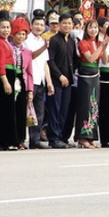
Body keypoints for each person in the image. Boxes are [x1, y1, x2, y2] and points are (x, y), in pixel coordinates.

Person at [47, 13, 78, 149]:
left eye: (69, 23)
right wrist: (60, 76)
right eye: (64, 23)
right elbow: (50, 61)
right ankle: (53, 138)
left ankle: (61, 137)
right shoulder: (54, 40)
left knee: (64, 110)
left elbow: (74, 61)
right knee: (55, 109)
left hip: (69, 81)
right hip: (56, 80)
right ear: (59, 25)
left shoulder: (71, 41)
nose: (67, 26)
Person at [0, 14, 18, 151]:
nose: (6, 30)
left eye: (8, 27)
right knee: (2, 110)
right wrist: (5, 81)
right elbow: (0, 64)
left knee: (7, 110)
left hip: (10, 73)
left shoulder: (7, 41)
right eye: (3, 27)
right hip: (3, 77)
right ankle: (1, 141)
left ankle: (7, 140)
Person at [26, 15, 53, 149]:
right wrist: (44, 47)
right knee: (27, 111)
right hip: (30, 80)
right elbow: (30, 56)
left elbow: (45, 64)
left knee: (39, 112)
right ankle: (22, 138)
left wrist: (49, 82)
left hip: (41, 80)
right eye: (36, 24)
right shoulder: (27, 39)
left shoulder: (43, 40)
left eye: (42, 25)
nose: (39, 27)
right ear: (31, 26)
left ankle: (35, 140)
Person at [77, 19, 105, 148]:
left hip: (95, 74)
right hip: (86, 74)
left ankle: (91, 135)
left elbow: (105, 59)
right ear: (86, 29)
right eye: (90, 27)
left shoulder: (97, 43)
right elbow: (90, 58)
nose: (93, 30)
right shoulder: (83, 43)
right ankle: (83, 136)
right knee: (85, 105)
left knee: (94, 105)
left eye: (95, 27)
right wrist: (101, 46)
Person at [10, 17, 34, 150]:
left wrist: (30, 90)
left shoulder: (27, 52)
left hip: (22, 80)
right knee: (10, 110)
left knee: (20, 111)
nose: (20, 36)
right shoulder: (9, 47)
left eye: (23, 34)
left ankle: (20, 139)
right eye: (18, 33)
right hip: (10, 79)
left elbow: (30, 73)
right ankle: (11, 138)